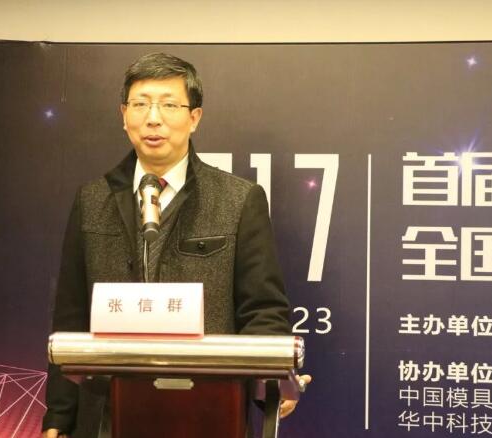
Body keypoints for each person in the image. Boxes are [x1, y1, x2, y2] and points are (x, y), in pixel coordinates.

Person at [42, 52, 310, 438]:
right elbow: (71, 315)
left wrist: (271, 382)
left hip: (209, 411)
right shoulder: (92, 199)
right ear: (124, 115)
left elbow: (263, 309)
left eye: (169, 105)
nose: (153, 118)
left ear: (194, 117)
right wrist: (58, 418)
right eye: (140, 104)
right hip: (107, 416)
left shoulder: (238, 200)